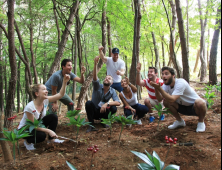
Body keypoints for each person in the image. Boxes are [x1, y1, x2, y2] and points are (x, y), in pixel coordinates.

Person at [17, 74, 70, 150]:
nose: (46, 91)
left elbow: (60, 95)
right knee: (41, 136)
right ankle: (28, 141)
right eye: (44, 89)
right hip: (26, 129)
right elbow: (34, 126)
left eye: (46, 89)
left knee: (53, 117)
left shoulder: (45, 100)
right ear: (37, 94)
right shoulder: (29, 107)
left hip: (38, 124)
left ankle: (52, 140)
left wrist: (64, 82)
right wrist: (48, 131)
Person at [150, 66, 207, 132]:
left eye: (166, 74)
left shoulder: (180, 82)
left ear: (173, 75)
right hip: (182, 108)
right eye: (162, 74)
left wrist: (159, 88)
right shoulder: (166, 86)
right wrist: (156, 88)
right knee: (166, 102)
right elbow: (160, 99)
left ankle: (201, 122)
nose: (164, 76)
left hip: (195, 107)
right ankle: (180, 121)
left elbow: (172, 99)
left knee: (200, 102)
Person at [85, 56, 121, 133]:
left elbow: (118, 102)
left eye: (109, 78)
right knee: (88, 103)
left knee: (113, 108)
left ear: (111, 83)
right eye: (106, 78)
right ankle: (91, 125)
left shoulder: (112, 91)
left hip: (103, 112)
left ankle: (104, 122)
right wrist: (95, 64)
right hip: (94, 111)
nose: (106, 79)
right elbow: (95, 78)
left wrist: (107, 104)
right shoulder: (98, 86)